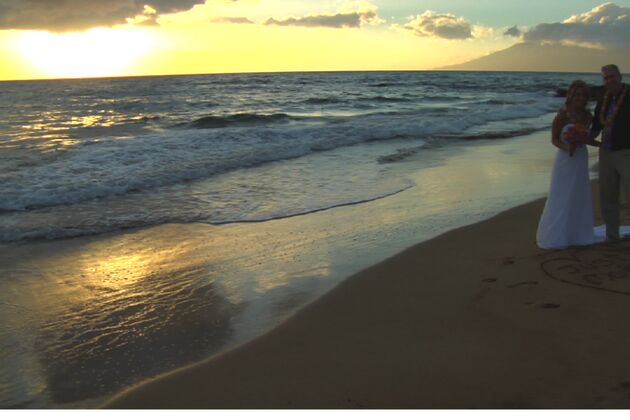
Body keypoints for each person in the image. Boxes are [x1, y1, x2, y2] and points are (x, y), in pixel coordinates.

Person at [536, 80, 601, 249]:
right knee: (562, 193)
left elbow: (587, 138)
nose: (580, 98)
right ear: (571, 95)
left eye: (584, 95)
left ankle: (577, 233)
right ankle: (558, 235)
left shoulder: (587, 116)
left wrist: (601, 145)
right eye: (577, 94)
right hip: (565, 159)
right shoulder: (562, 115)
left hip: (580, 158)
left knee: (579, 193)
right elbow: (554, 139)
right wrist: (567, 147)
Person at [590, 64, 630, 241]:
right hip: (606, 152)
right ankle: (612, 235)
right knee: (608, 196)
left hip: (626, 151)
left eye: (612, 76)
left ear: (620, 76)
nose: (609, 80)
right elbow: (597, 126)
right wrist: (579, 137)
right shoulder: (603, 99)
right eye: (605, 77)